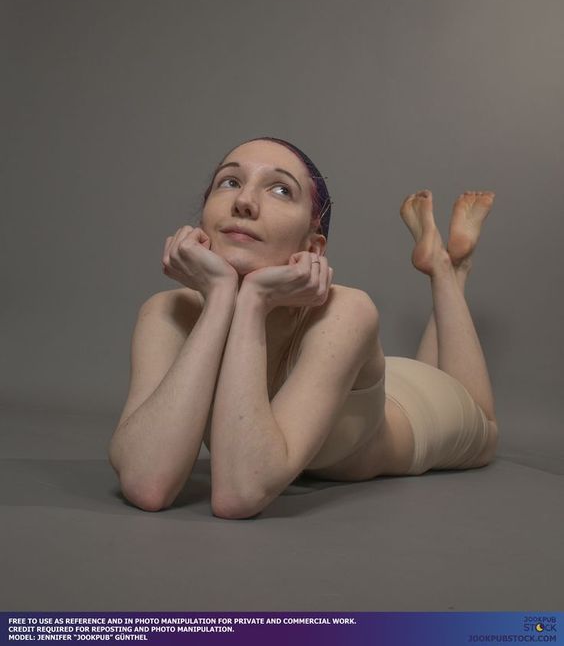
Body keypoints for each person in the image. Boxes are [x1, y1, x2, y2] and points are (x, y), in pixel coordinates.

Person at [107, 137, 499, 518]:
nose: (243, 202)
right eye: (230, 181)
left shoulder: (346, 311)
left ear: (312, 248)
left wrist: (254, 300)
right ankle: (443, 263)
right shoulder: (166, 313)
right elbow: (147, 483)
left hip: (419, 409)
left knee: (486, 427)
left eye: (279, 189)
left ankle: (448, 270)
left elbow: (239, 493)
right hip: (342, 373)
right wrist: (221, 296)